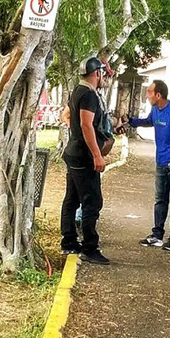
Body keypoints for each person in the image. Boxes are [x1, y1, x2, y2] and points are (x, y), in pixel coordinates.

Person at [126, 80, 170, 251]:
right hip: (161, 161)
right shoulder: (155, 110)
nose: (147, 96)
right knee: (160, 199)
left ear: (158, 95)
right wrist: (131, 121)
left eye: (149, 92)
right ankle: (157, 235)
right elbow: (149, 121)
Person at [60, 56, 110, 265]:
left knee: (71, 199)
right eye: (103, 74)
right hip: (83, 156)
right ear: (97, 73)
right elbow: (86, 124)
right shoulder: (88, 95)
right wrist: (97, 154)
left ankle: (69, 242)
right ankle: (90, 247)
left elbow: (69, 117)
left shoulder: (77, 91)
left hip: (73, 152)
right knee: (92, 201)